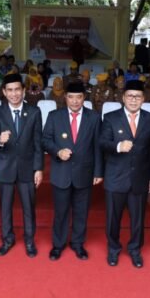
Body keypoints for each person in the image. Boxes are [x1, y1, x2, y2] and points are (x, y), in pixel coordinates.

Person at [42, 81, 103, 261]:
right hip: (61, 172)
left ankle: (78, 244)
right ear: (65, 97)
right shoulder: (54, 116)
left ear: (84, 98)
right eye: (71, 97)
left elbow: (97, 147)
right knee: (60, 212)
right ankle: (58, 245)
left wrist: (98, 172)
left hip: (84, 172)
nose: (75, 101)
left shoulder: (93, 117)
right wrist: (57, 151)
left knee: (81, 211)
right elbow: (45, 140)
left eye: (79, 97)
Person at [101, 80, 150, 268]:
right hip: (115, 177)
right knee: (113, 218)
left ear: (143, 99)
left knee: (138, 219)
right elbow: (102, 143)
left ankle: (134, 250)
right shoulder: (110, 118)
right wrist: (118, 146)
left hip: (139, 178)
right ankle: (113, 249)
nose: (133, 100)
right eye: (130, 96)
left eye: (138, 96)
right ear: (123, 97)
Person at [0, 74, 44, 257]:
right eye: (10, 90)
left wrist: (39, 168)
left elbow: (38, 143)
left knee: (29, 207)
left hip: (27, 168)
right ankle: (8, 239)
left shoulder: (34, 112)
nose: (14, 94)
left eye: (17, 89)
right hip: (5, 168)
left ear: (23, 90)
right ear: (4, 92)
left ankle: (29, 240)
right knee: (5, 208)